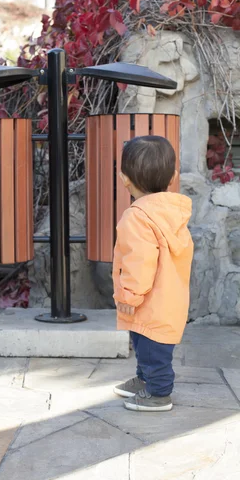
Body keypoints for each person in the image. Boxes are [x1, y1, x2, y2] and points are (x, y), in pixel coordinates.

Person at [112, 135, 193, 412]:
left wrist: (129, 295)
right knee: (147, 344)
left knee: (151, 349)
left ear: (125, 179)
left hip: (147, 301)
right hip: (169, 299)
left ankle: (159, 393)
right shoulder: (173, 214)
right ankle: (145, 379)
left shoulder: (137, 217)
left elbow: (140, 262)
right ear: (174, 176)